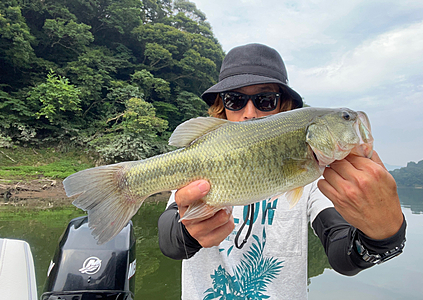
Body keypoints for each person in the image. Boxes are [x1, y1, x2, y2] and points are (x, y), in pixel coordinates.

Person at [158, 43, 406, 299]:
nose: (250, 113)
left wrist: (382, 237)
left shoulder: (316, 178)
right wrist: (187, 233)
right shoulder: (203, 162)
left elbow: (342, 252)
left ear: (284, 107)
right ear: (221, 108)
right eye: (235, 100)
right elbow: (169, 241)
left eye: (266, 100)